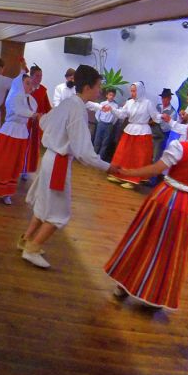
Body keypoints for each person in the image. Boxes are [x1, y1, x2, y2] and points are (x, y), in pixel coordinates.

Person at [20, 65, 121, 268]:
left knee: (44, 206)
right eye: (98, 86)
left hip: (50, 158)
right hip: (58, 162)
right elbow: (84, 151)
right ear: (87, 87)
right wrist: (107, 167)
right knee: (59, 212)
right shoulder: (77, 109)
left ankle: (26, 240)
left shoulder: (67, 103)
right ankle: (32, 249)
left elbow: (44, 122)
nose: (99, 90)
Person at [103, 114, 188, 309]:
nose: (187, 127)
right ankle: (156, 295)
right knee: (170, 250)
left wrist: (127, 172)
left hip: (166, 198)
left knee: (144, 239)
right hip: (187, 206)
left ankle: (123, 286)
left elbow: (154, 170)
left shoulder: (180, 147)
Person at [0, 75, 39, 205]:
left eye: (30, 84)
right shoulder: (14, 97)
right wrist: (33, 115)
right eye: (27, 83)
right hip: (9, 133)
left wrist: (36, 115)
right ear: (20, 84)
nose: (30, 86)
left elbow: (30, 112)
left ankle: (7, 192)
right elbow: (19, 110)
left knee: (15, 164)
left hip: (21, 133)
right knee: (2, 163)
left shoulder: (32, 100)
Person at [106, 82, 162, 189]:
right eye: (131, 91)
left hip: (142, 132)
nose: (132, 93)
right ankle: (119, 174)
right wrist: (112, 109)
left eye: (134, 91)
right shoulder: (129, 102)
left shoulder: (148, 103)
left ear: (140, 90)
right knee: (122, 153)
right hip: (129, 130)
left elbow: (155, 117)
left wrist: (163, 117)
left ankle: (133, 180)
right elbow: (122, 114)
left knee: (137, 156)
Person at [88, 88, 119, 161]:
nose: (111, 97)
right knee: (97, 140)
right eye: (110, 95)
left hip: (109, 125)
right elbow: (97, 114)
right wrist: (100, 121)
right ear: (107, 95)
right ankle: (93, 157)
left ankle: (100, 158)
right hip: (101, 123)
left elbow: (115, 117)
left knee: (105, 142)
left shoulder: (115, 106)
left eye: (113, 95)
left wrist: (111, 123)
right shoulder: (102, 104)